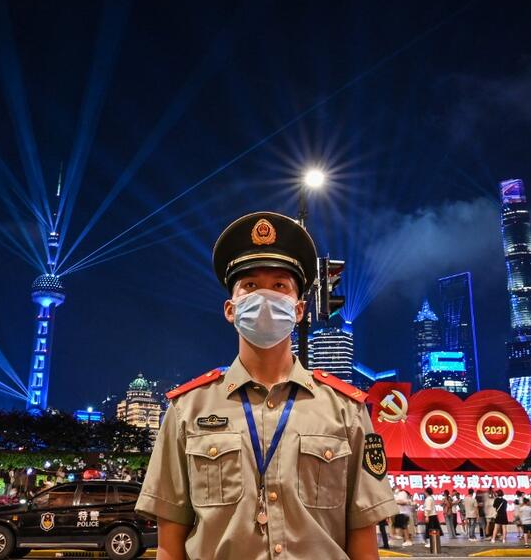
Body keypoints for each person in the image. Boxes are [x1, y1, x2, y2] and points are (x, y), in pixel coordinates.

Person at [135, 212, 397, 559]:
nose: (264, 297)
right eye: (250, 286)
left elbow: (363, 542)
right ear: (230, 309)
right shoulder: (187, 410)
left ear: (299, 309)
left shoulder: (346, 410)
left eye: (279, 286)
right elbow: (170, 545)